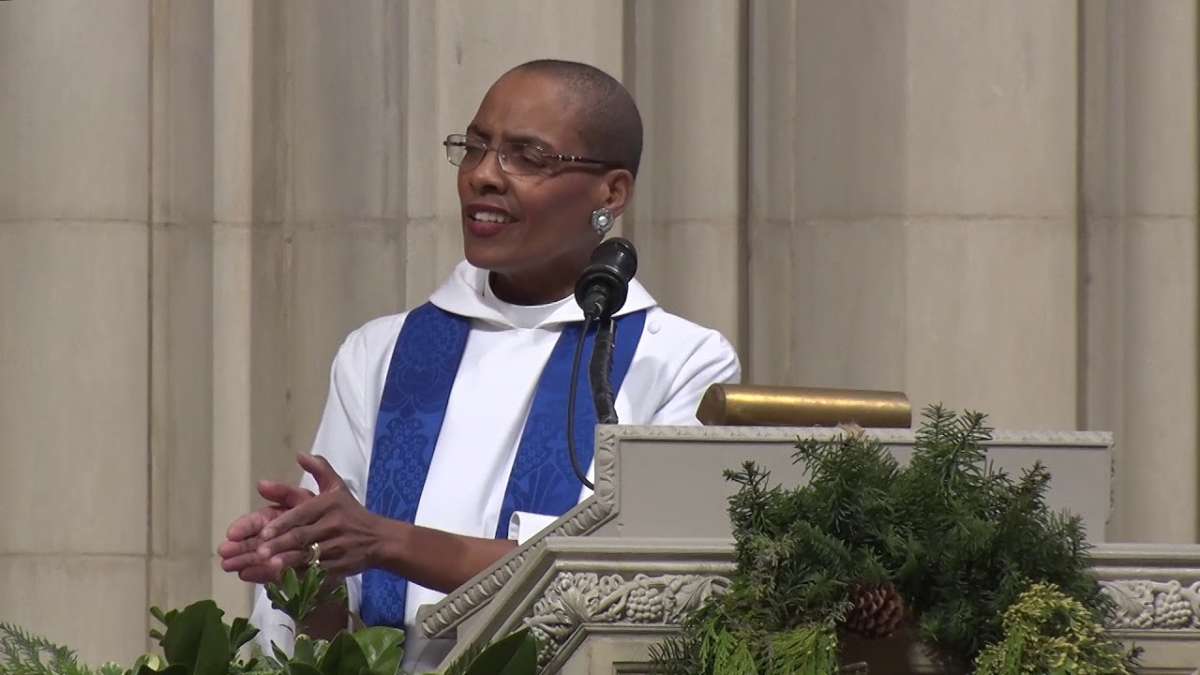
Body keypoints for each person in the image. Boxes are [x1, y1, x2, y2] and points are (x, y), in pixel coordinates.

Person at [217, 59, 741, 671]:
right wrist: (304, 563)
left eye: (528, 156)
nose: (485, 176)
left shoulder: (676, 361)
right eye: (475, 147)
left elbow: (643, 587)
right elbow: (332, 626)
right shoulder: (382, 354)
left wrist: (389, 541)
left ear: (612, 192)